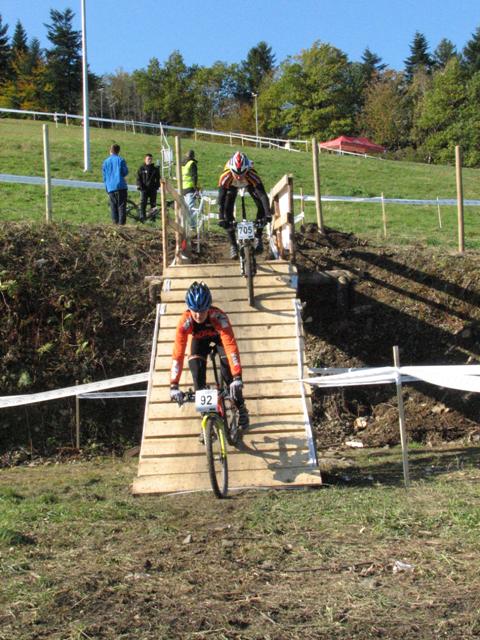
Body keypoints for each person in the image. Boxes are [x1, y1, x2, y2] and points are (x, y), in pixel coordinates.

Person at [170, 281, 249, 431]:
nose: (198, 315)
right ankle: (206, 419)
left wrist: (237, 376)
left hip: (220, 339)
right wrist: (174, 384)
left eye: (203, 311)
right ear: (188, 308)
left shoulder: (218, 316)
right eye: (194, 311)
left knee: (229, 374)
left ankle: (241, 408)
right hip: (199, 342)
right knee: (197, 375)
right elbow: (178, 354)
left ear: (209, 307)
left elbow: (230, 346)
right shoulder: (185, 321)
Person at [218, 151, 272, 259]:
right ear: (231, 169)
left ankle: (258, 237)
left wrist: (268, 214)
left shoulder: (252, 174)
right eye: (236, 173)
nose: (239, 177)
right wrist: (221, 218)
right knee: (227, 210)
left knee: (261, 205)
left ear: (247, 169)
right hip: (231, 185)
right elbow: (221, 198)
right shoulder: (225, 176)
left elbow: (262, 195)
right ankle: (233, 245)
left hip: (249, 182)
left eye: (242, 173)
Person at [102, 144, 129, 225]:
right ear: (118, 151)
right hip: (120, 186)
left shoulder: (105, 162)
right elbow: (125, 172)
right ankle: (121, 225)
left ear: (110, 150)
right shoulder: (120, 160)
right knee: (121, 206)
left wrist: (107, 187)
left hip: (110, 187)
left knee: (113, 207)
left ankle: (115, 224)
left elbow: (104, 176)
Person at [136, 153, 160, 221]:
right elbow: (138, 179)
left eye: (151, 159)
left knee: (153, 204)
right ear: (145, 159)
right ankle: (142, 217)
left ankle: (152, 218)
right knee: (143, 203)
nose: (149, 160)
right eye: (148, 159)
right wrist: (140, 186)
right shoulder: (141, 168)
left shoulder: (155, 169)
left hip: (152, 189)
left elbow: (158, 179)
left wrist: (156, 186)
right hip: (144, 189)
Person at [181, 149, 199, 228]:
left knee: (186, 208)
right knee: (190, 209)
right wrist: (196, 189)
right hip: (190, 188)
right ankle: (192, 225)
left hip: (183, 188)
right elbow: (194, 177)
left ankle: (186, 225)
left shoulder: (183, 164)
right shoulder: (192, 164)